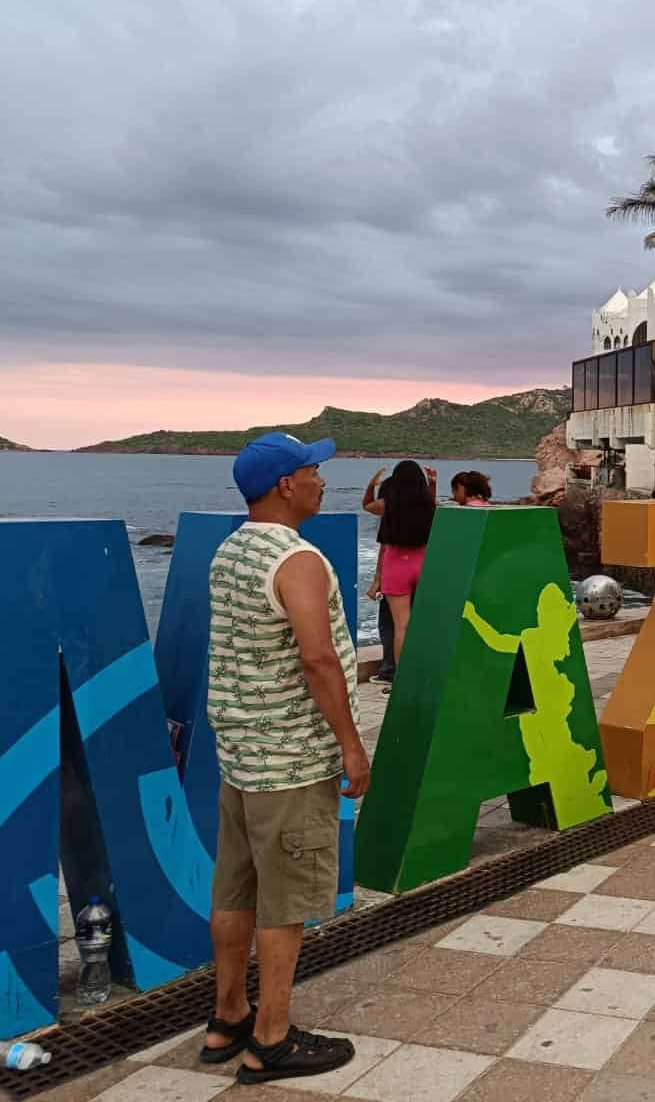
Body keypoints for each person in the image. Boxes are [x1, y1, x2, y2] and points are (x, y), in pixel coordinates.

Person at [204, 434, 366, 1083]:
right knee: (285, 901)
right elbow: (318, 658)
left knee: (234, 888)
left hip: (241, 755)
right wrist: (351, 744)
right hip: (292, 758)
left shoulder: (231, 550)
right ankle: (270, 1039)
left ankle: (227, 1017)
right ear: (285, 485)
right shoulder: (297, 561)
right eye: (313, 471)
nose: (322, 480)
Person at [363, 460, 436, 668]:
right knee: (425, 623)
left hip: (396, 565)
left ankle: (402, 677)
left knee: (401, 626)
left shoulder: (388, 504)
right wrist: (432, 483)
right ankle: (425, 669)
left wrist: (372, 484)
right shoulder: (428, 504)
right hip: (424, 563)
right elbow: (431, 500)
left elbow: (367, 505)